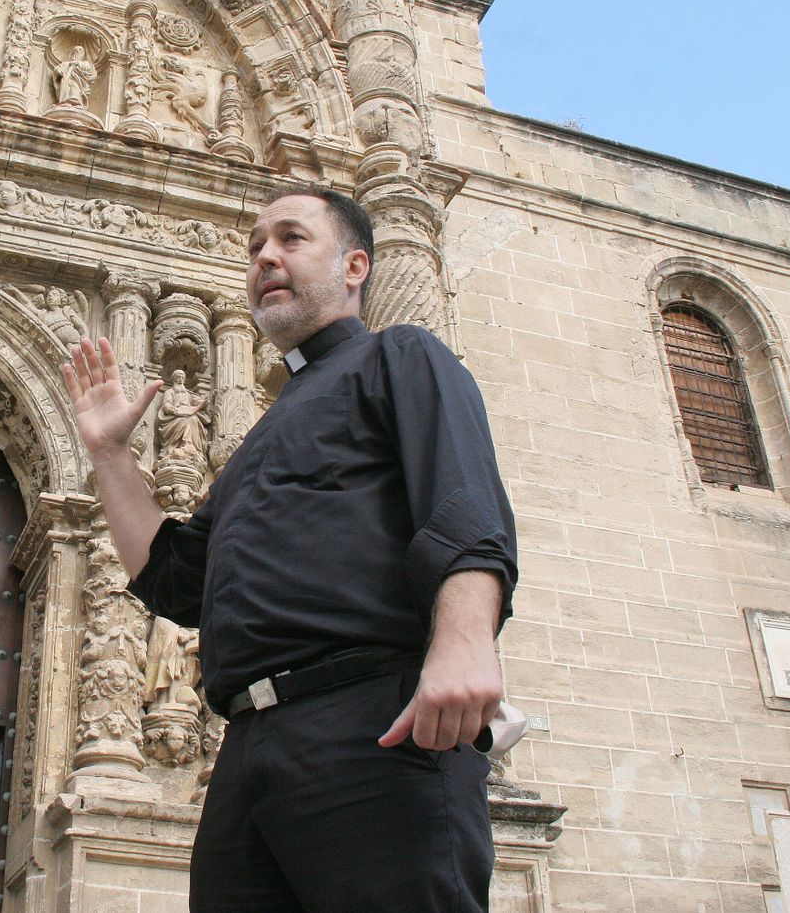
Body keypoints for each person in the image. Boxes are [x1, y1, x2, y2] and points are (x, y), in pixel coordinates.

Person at [62, 185, 516, 912]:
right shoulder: (261, 438)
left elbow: (462, 502)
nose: (266, 256)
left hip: (375, 729)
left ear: (356, 266)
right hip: (248, 754)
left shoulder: (402, 356)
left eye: (291, 239)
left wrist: (466, 642)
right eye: (254, 247)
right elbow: (176, 581)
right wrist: (111, 455)